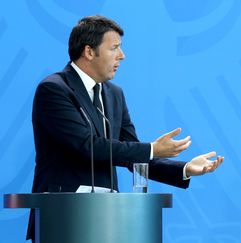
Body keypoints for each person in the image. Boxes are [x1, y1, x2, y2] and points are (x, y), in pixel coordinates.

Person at [27, 15, 224, 241]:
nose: (122, 56)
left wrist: (185, 168)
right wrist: (152, 148)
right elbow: (87, 146)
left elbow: (132, 155)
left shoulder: (114, 94)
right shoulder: (54, 89)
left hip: (105, 219)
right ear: (89, 52)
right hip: (61, 217)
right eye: (114, 48)